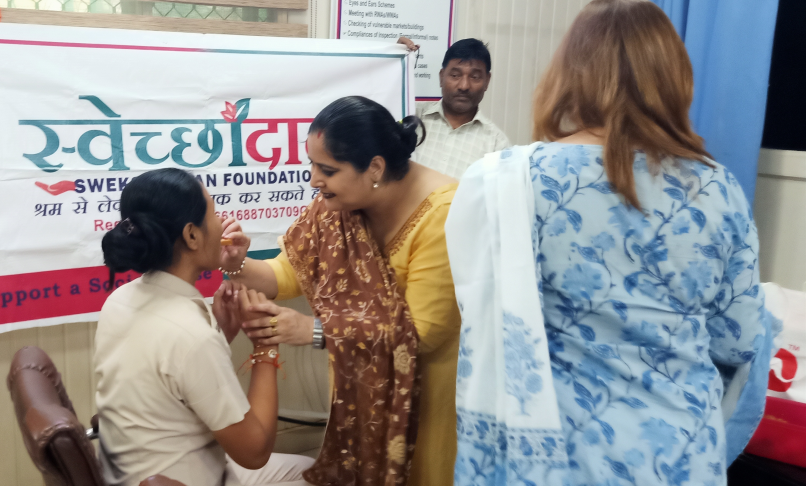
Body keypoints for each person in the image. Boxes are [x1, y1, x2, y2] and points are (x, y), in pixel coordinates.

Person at [446, 0, 771, 486]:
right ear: (675, 75)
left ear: (569, 73)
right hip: (679, 454)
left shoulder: (502, 181)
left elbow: (482, 326)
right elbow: (739, 343)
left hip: (548, 458)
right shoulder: (718, 188)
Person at [219, 96, 461, 485]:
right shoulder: (339, 204)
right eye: (312, 165)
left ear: (375, 167)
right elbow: (288, 273)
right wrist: (237, 265)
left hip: (422, 396)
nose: (314, 180)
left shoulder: (444, 212)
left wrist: (313, 331)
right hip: (359, 386)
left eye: (327, 170)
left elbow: (424, 333)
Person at [94, 168, 314, 486]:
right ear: (192, 235)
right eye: (213, 212)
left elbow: (175, 378)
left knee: (307, 469)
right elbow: (254, 452)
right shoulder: (189, 335)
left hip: (137, 470)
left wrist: (222, 328)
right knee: (326, 478)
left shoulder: (120, 300)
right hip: (186, 478)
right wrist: (265, 346)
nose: (222, 221)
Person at [398, 36, 510, 179]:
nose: (464, 86)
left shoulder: (497, 145)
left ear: (487, 81)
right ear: (441, 77)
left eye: (475, 77)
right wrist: (394, 61)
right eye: (455, 75)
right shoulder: (411, 116)